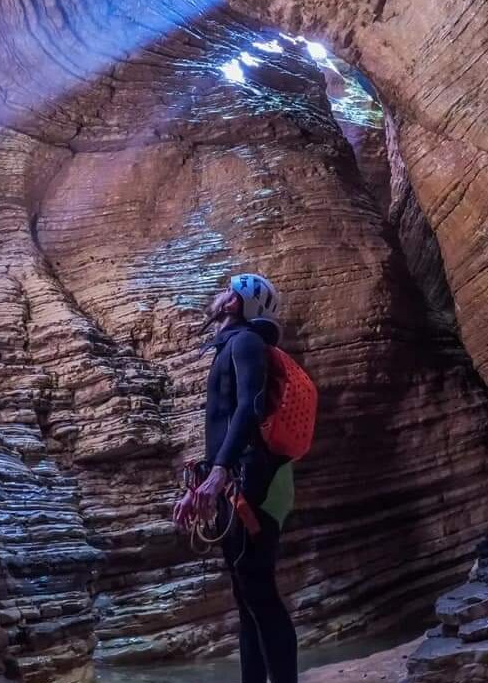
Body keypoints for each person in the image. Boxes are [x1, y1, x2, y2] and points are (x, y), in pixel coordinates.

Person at [174, 273, 298, 683]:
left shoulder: (245, 342)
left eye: (228, 290)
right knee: (247, 597)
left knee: (258, 590)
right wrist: (203, 483)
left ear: (234, 304)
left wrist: (220, 472)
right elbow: (225, 425)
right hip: (239, 477)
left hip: (257, 481)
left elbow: (249, 408)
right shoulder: (231, 345)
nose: (220, 295)